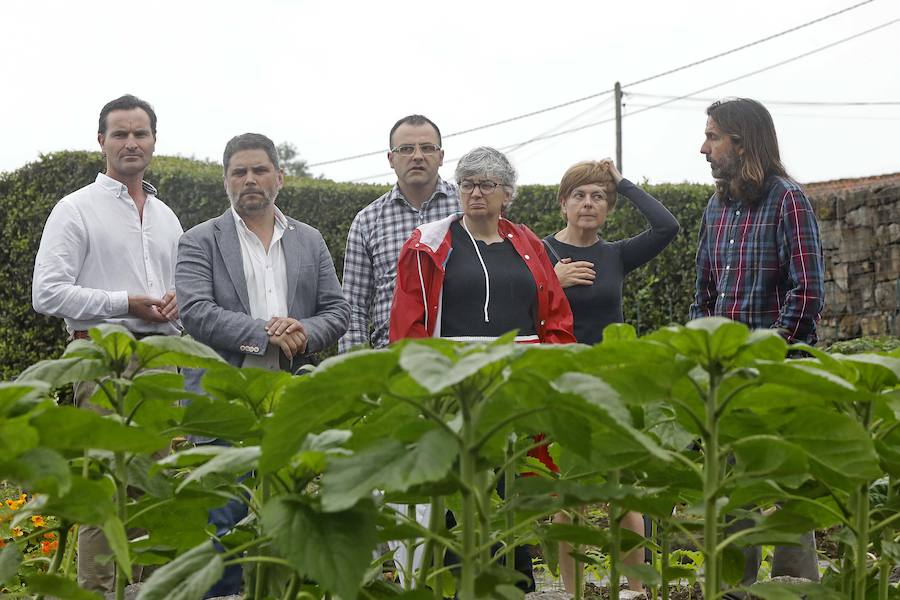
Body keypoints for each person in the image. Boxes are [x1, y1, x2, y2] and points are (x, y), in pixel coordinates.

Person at [390, 146, 576, 591]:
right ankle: (463, 583)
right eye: (468, 184)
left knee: (510, 484)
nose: (476, 193)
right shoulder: (429, 244)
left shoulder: (529, 244)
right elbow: (408, 321)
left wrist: (556, 370)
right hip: (455, 387)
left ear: (506, 193)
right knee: (459, 487)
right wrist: (419, 380)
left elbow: (555, 313)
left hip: (518, 386)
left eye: (487, 184)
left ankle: (513, 583)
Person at [175, 133, 349, 597]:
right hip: (222, 404)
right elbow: (195, 311)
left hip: (292, 401)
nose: (249, 179)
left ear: (280, 176)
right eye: (239, 172)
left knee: (289, 522)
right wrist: (264, 333)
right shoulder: (199, 240)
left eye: (259, 170)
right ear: (226, 181)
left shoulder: (309, 240)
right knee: (226, 527)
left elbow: (337, 311)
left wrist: (303, 331)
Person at [31, 94, 183, 593]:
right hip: (102, 358)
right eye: (120, 134)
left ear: (154, 141)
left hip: (161, 360)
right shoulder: (74, 209)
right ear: (102, 142)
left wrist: (176, 303)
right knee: (105, 491)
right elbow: (46, 293)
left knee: (155, 491)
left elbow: (178, 288)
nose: (131, 142)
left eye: (140, 133)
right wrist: (126, 302)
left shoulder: (167, 217)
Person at [691, 98, 825, 589]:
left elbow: (807, 292)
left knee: (789, 485)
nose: (703, 148)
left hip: (780, 371)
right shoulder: (716, 205)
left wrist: (765, 353)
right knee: (730, 488)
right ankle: (732, 591)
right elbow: (704, 293)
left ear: (742, 142)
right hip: (725, 374)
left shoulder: (788, 199)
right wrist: (704, 354)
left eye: (712, 136)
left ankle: (795, 591)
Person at [543, 158, 679, 594]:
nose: (588, 203)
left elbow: (666, 227)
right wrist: (551, 281)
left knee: (622, 491)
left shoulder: (616, 255)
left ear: (609, 208)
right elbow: (515, 309)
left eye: (599, 196)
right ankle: (573, 592)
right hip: (563, 386)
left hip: (613, 387)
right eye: (579, 195)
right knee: (570, 495)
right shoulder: (540, 254)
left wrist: (623, 181)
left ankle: (634, 590)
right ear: (563, 203)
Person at [339, 115, 459, 352]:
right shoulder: (367, 221)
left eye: (427, 148)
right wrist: (355, 367)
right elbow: (353, 306)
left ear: (441, 156)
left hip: (459, 355)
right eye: (406, 149)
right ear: (391, 159)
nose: (417, 156)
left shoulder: (466, 210)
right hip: (391, 358)